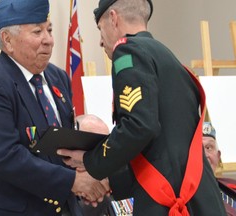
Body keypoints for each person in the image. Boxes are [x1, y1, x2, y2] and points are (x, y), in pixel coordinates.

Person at [57, 0, 227, 215]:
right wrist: (111, 181)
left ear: (113, 18)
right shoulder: (169, 59)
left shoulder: (128, 52)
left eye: (100, 30)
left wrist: (91, 161)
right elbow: (163, 151)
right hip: (200, 200)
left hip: (168, 202)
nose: (101, 41)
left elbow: (139, 127)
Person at [0, 0, 109, 215]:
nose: (49, 40)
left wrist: (90, 170)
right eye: (37, 31)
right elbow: (5, 156)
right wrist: (74, 181)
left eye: (49, 30)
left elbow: (64, 143)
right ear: (8, 40)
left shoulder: (58, 77)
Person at [76, 114, 115, 216]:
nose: (99, 153)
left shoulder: (114, 186)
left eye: (104, 146)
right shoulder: (56, 186)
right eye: (92, 144)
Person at [203, 122, 236, 216]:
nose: (205, 155)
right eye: (199, 148)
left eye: (209, 147)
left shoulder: (232, 187)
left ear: (218, 156)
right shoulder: (180, 197)